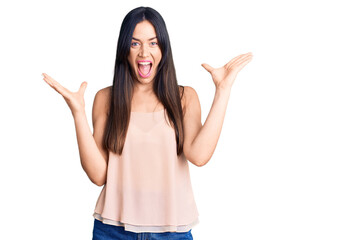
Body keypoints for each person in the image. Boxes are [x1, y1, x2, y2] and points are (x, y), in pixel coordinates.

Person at [42, 6, 252, 240]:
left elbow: (199, 156)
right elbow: (98, 175)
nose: (144, 52)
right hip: (113, 231)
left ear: (163, 48)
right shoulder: (106, 99)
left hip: (172, 232)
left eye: (153, 43)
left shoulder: (184, 97)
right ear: (125, 50)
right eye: (135, 43)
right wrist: (78, 113)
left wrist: (223, 91)